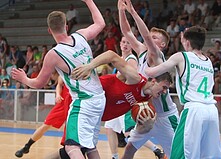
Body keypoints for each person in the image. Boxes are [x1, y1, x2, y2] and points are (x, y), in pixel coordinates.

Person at [11, 0, 106, 158]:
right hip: (99, 97)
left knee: (71, 147)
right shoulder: (81, 35)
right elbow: (100, 23)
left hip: (83, 102)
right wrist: (89, 1)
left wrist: (24, 78)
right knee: (89, 147)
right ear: (67, 26)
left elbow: (39, 83)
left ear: (49, 30)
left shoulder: (53, 55)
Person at [145, 26, 221, 159]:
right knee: (209, 155)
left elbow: (152, 72)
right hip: (211, 111)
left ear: (186, 42)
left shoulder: (181, 56)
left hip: (194, 110)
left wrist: (145, 63)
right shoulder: (208, 61)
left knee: (180, 154)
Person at [118, 0, 179, 158]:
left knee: (178, 154)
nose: (150, 39)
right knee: (130, 148)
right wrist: (121, 11)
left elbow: (144, 34)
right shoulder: (142, 52)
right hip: (148, 115)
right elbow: (126, 32)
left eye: (155, 38)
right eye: (151, 37)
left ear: (163, 44)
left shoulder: (158, 57)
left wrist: (133, 12)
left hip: (165, 116)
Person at [15, 76, 71, 158]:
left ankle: (71, 150)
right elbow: (59, 84)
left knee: (70, 129)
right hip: (63, 103)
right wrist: (58, 94)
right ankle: (27, 146)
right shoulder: (64, 72)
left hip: (75, 104)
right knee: (45, 125)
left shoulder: (82, 71)